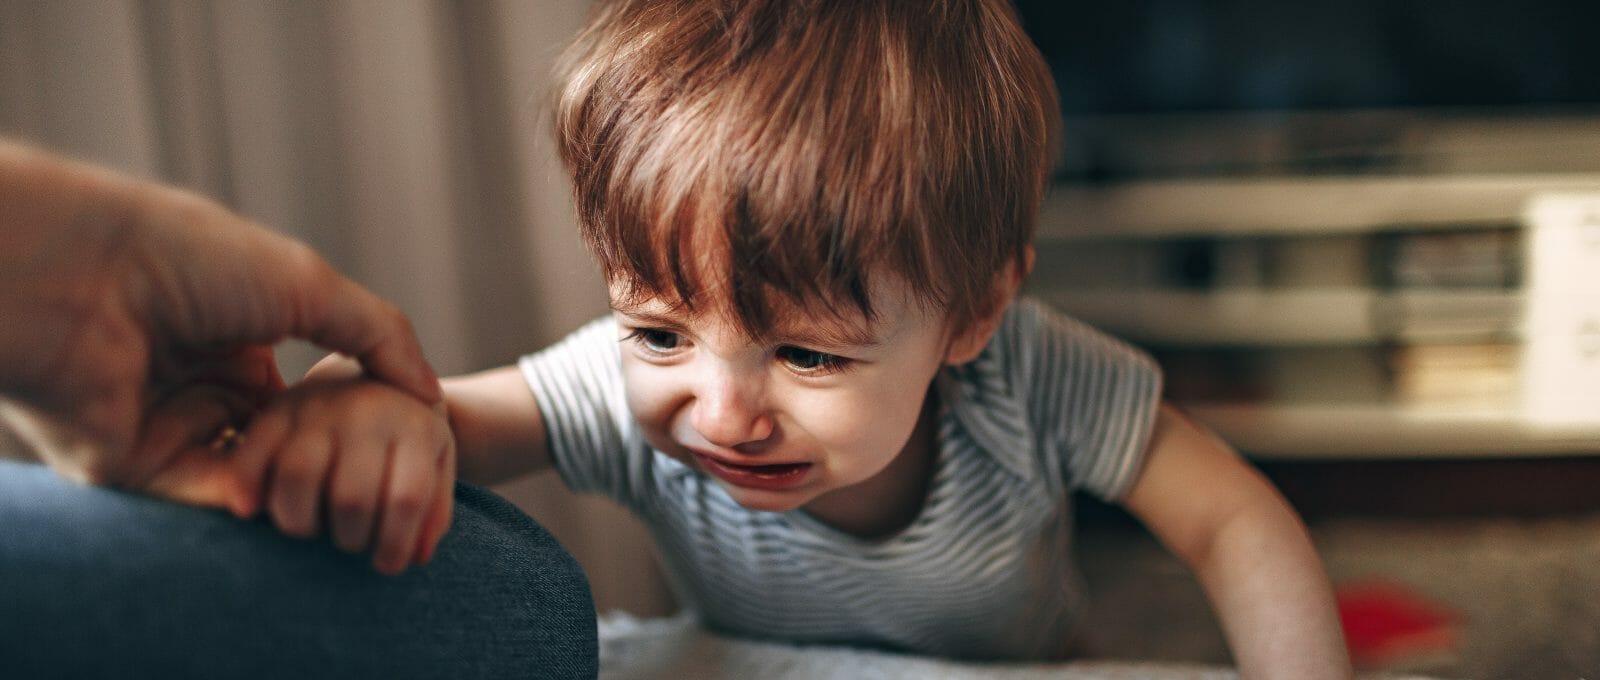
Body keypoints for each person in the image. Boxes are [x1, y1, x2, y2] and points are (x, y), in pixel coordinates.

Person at [223, 0, 1353, 676]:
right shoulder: (633, 392)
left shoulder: (1033, 377)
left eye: (807, 355)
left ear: (971, 315)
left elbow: (1233, 519)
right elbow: (453, 418)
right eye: (658, 329)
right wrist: (369, 412)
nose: (718, 409)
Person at [0, 139, 597, 678]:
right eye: (660, 337)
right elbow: (449, 410)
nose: (697, 415)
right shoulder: (610, 380)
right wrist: (364, 396)